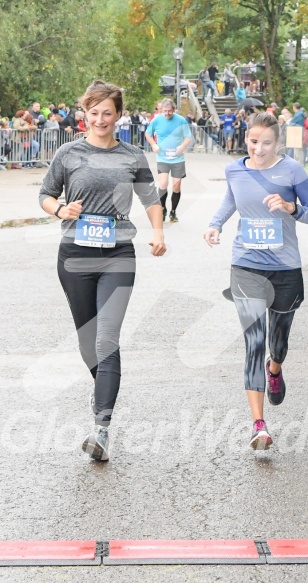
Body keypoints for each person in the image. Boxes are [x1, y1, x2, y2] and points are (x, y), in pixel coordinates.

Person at [39, 80, 166, 461]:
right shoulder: (67, 153)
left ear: (119, 115)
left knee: (107, 338)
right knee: (87, 341)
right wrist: (61, 210)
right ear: (85, 114)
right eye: (93, 112)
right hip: (74, 257)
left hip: (118, 256)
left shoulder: (133, 156)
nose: (100, 119)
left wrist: (158, 232)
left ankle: (101, 429)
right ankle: (105, 390)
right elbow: (45, 195)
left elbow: (150, 198)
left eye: (107, 112)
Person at [203, 112, 308, 450]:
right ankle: (259, 425)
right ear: (246, 139)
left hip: (285, 269)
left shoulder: (292, 171)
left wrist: (290, 206)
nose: (258, 149)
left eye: (266, 143)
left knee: (277, 344)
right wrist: (216, 224)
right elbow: (231, 197)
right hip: (246, 266)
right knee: (254, 343)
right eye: (253, 141)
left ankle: (276, 368)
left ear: (278, 142)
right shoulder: (234, 169)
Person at [145, 97, 192, 223]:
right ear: (161, 110)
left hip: (177, 159)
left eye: (169, 111)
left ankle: (173, 212)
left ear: (174, 110)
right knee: (163, 184)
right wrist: (153, 145)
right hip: (162, 158)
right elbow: (148, 134)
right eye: (165, 111)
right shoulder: (157, 120)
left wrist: (182, 146)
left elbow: (188, 137)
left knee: (176, 185)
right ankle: (163, 208)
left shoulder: (181, 120)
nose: (167, 113)